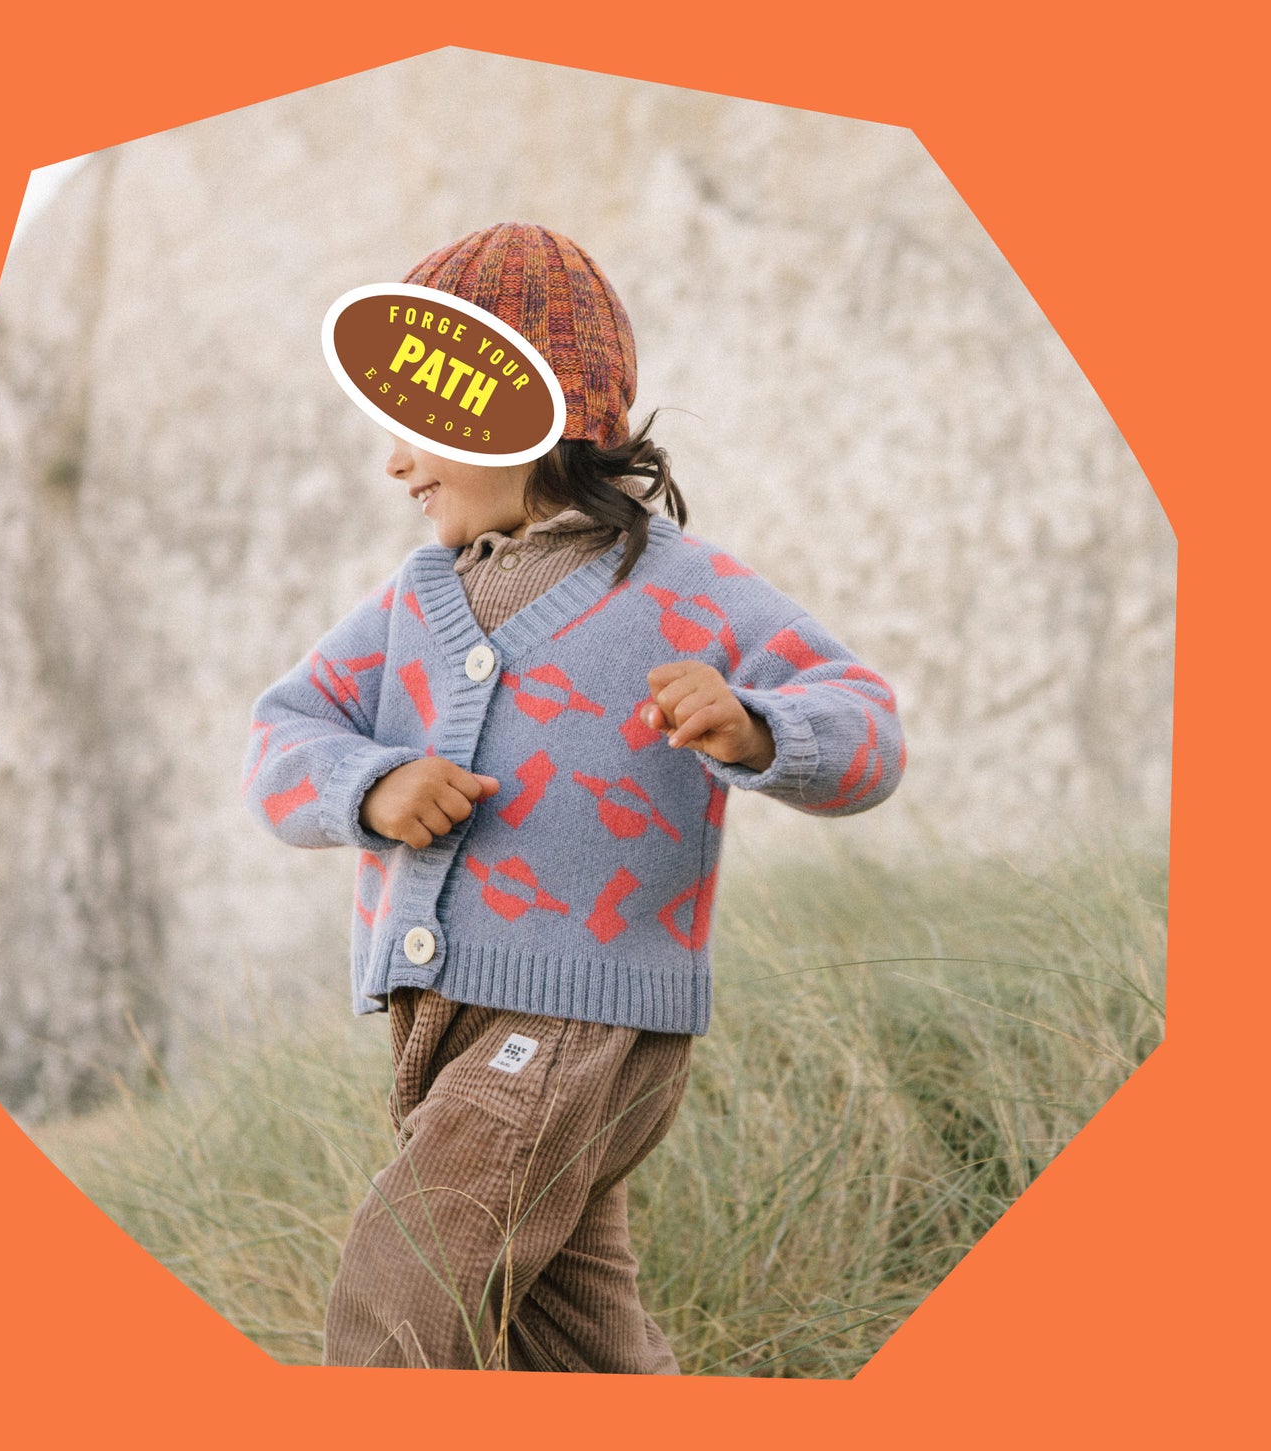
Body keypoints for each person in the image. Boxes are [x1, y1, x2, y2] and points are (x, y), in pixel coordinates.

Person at [244, 222, 905, 1372]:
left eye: (416, 430)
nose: (395, 465)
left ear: (515, 412)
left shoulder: (678, 589)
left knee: (398, 1284)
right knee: (576, 1342)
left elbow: (868, 727)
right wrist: (371, 783)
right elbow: (281, 734)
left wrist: (755, 726)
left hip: (582, 1021)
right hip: (444, 1023)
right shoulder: (409, 601)